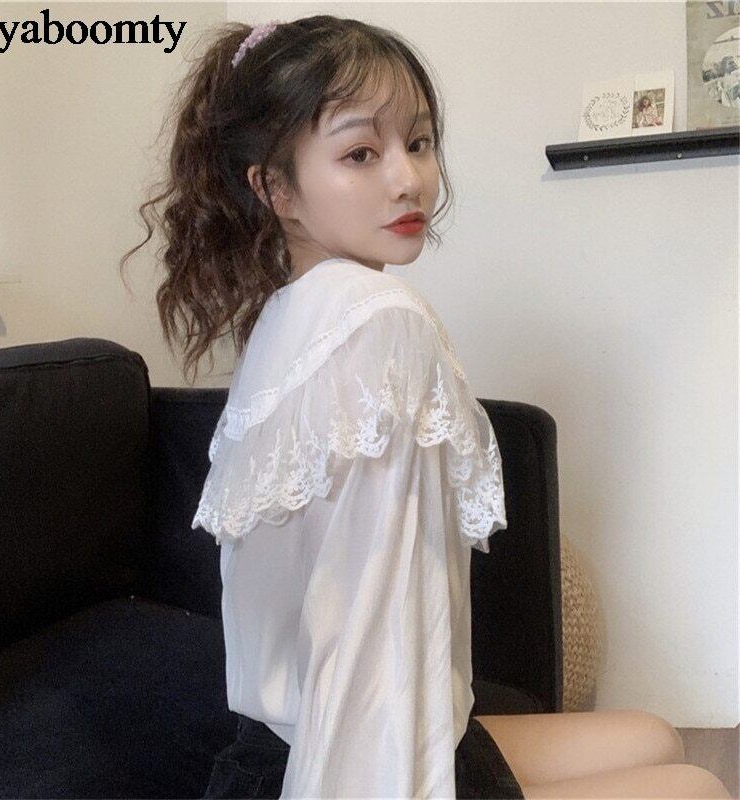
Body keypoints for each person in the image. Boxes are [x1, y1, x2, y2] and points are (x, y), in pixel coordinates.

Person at [120, 15, 733, 800]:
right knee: (695, 786)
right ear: (276, 189)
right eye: (360, 154)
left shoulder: (290, 311)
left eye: (418, 142)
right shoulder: (380, 318)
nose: (408, 179)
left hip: (290, 750)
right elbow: (369, 633)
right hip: (351, 766)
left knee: (653, 735)